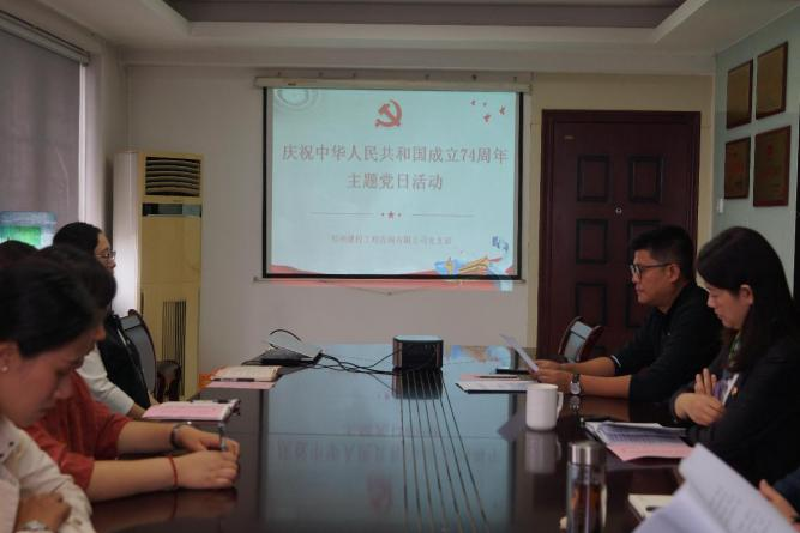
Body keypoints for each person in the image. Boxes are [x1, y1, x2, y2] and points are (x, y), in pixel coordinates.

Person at [23, 247, 240, 502]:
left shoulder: (66, 375)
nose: (101, 334)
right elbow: (59, 476)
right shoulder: (24, 395)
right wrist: (176, 471)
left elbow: (103, 428)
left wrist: (177, 434)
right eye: (92, 320)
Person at [671, 226, 800, 485]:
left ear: (746, 294)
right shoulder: (741, 338)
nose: (709, 303)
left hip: (759, 494)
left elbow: (718, 445)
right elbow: (687, 390)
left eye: (715, 294)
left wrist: (700, 424)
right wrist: (685, 403)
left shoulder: (782, 356)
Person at [533, 225, 721, 402]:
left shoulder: (698, 313)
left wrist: (574, 383)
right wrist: (563, 369)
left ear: (672, 272)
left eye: (641, 270)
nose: (634, 279)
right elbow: (621, 362)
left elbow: (655, 383)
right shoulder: (661, 310)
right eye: (633, 270)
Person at [0, 259, 96, 533]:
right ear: (5, 357)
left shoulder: (7, 431)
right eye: (60, 372)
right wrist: (37, 527)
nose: (66, 392)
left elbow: (66, 492)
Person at [53, 222, 151, 416]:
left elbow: (134, 381)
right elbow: (99, 389)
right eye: (105, 256)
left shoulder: (104, 313)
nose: (112, 263)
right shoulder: (71, 319)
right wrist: (151, 420)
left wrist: (160, 414)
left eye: (111, 255)